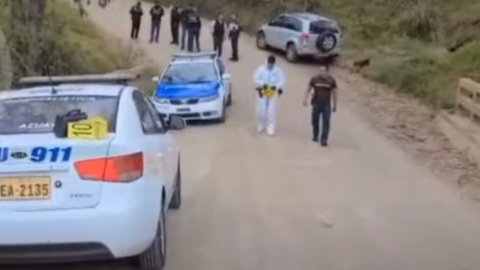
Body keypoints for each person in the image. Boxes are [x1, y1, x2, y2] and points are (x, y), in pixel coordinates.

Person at [303, 65, 337, 147]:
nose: (321, 72)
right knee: (315, 120)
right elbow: (308, 89)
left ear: (327, 71)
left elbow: (334, 93)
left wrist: (335, 104)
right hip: (316, 103)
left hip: (326, 104)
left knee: (326, 121)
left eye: (323, 70)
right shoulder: (314, 79)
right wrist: (305, 99)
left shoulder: (331, 80)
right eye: (320, 70)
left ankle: (324, 139)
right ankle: (315, 135)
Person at [253, 55, 286, 136]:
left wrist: (276, 86)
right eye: (269, 64)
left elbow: (282, 80)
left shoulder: (278, 70)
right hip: (263, 90)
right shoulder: (261, 69)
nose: (270, 65)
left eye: (272, 64)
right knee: (261, 108)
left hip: (273, 91)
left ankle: (270, 127)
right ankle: (261, 124)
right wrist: (262, 84)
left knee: (271, 109)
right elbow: (255, 78)